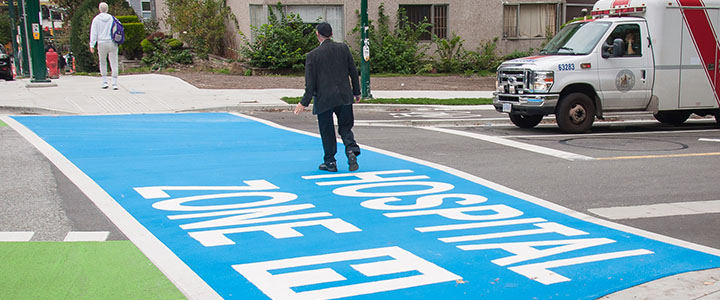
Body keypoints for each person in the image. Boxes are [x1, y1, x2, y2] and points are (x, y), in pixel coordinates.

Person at [294, 22, 361, 172]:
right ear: (331, 34)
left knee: (327, 129)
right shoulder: (343, 49)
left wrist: (303, 102)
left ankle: (330, 161)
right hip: (344, 95)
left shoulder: (312, 56)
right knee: (345, 127)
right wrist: (356, 92)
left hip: (324, 98)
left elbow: (310, 84)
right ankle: (351, 149)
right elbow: (353, 71)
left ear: (318, 35)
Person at [89, 2, 119, 90]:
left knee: (102, 61)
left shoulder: (96, 19)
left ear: (99, 9)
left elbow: (93, 33)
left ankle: (104, 81)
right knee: (114, 62)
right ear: (107, 9)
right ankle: (114, 83)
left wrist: (92, 44)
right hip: (112, 42)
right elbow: (116, 30)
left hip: (101, 42)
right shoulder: (112, 18)